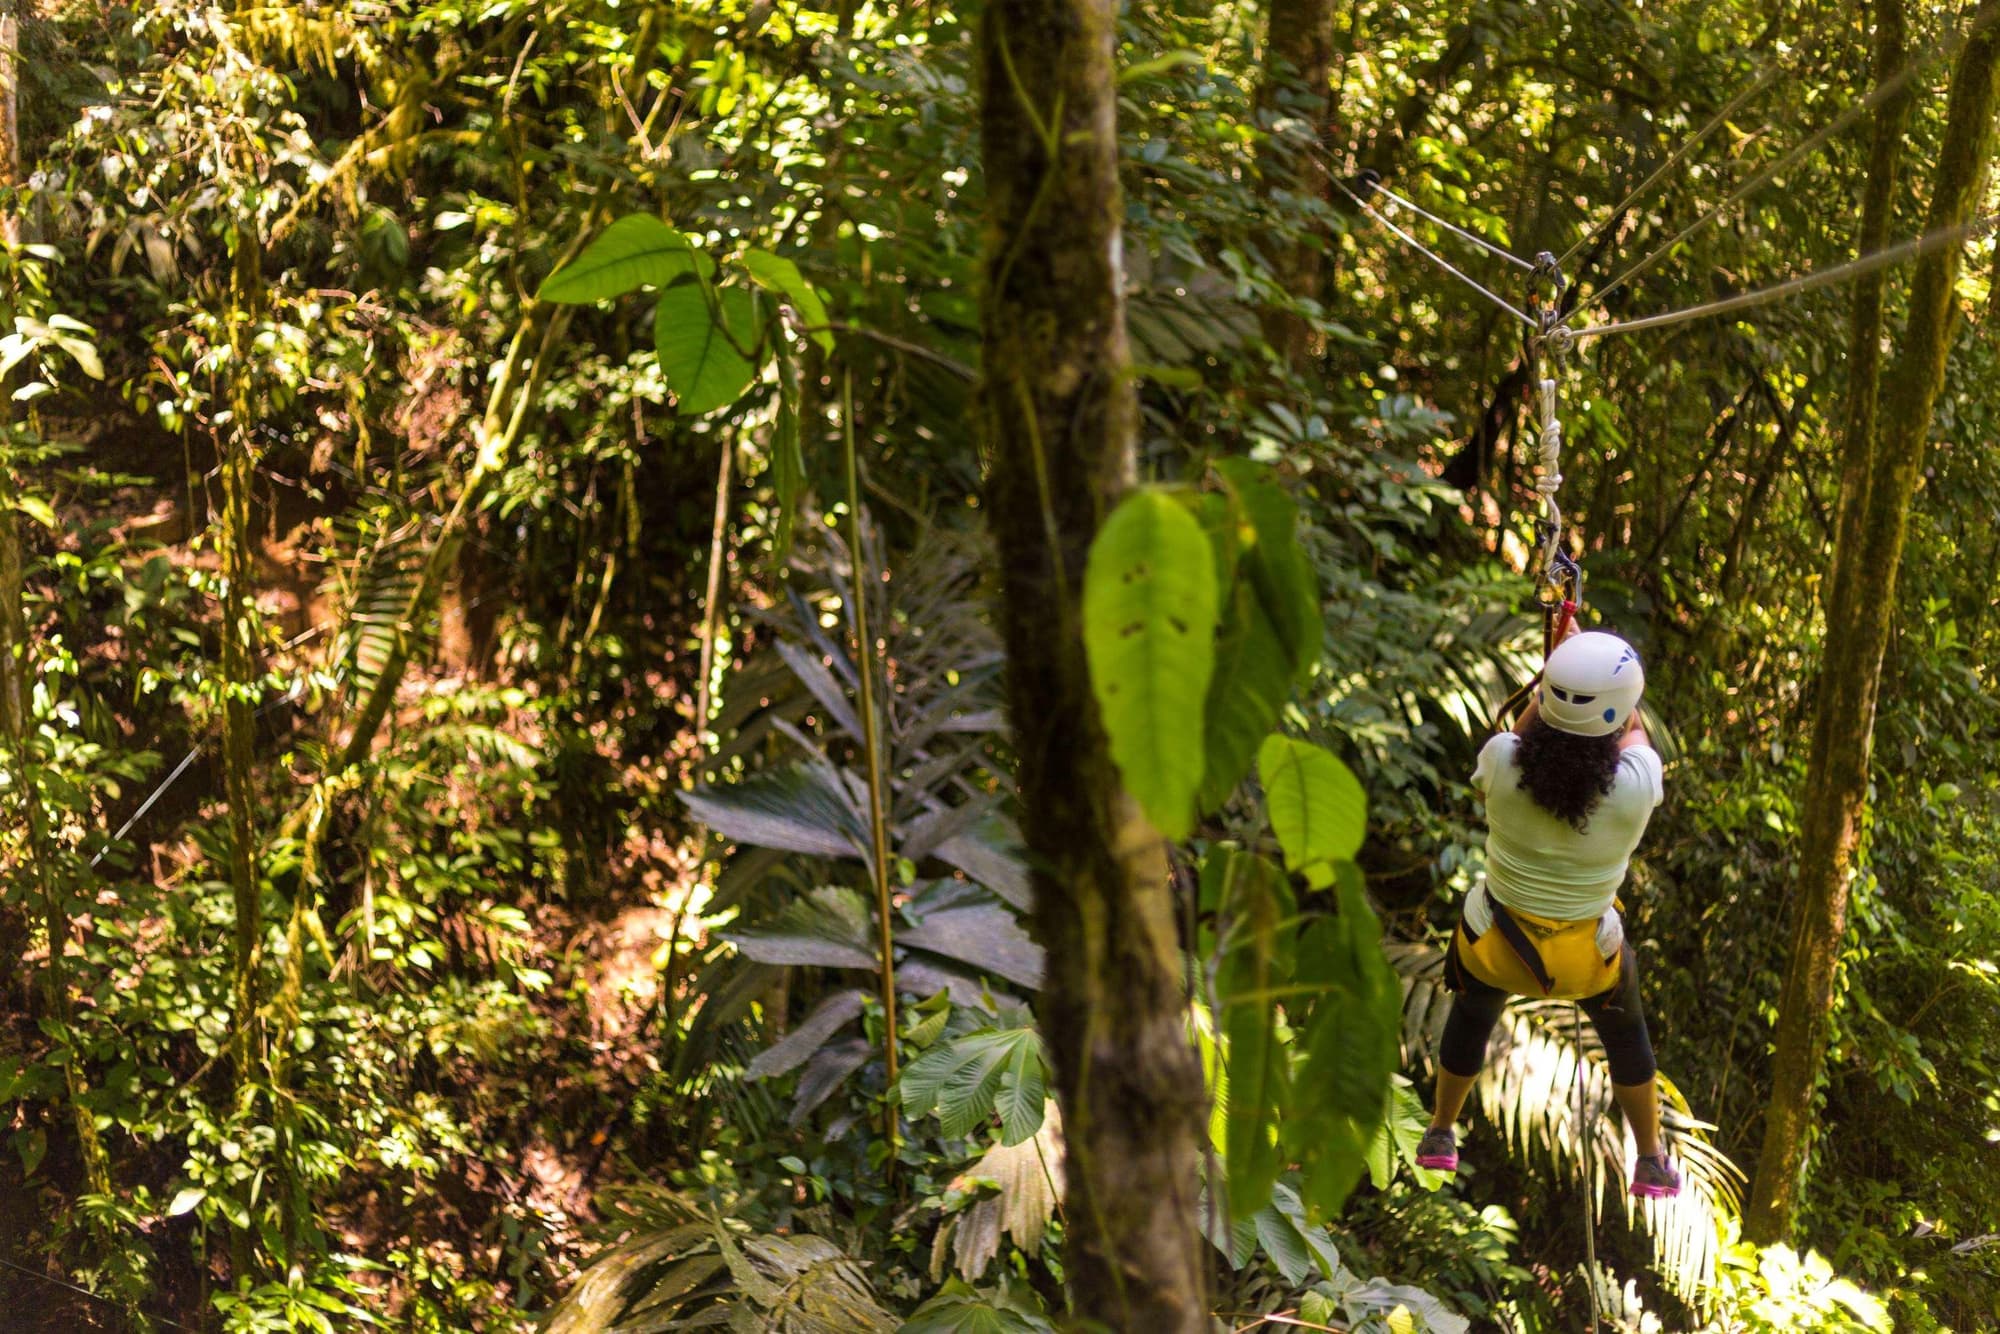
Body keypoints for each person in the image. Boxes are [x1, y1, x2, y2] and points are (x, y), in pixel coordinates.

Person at [1415, 627, 1681, 1199]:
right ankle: (1651, 1160)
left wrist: (1557, 670)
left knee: (1472, 1011)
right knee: (1627, 1036)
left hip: (1495, 946)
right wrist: (1579, 660)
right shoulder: (1636, 788)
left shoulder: (1501, 761)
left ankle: (1440, 1132)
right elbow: (1630, 727)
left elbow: (1524, 736)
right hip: (1588, 961)